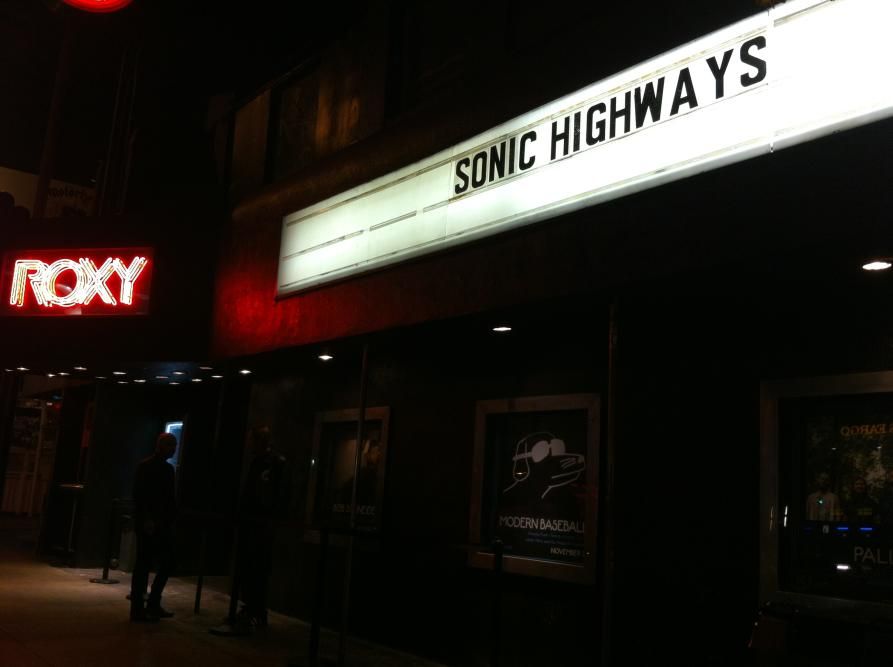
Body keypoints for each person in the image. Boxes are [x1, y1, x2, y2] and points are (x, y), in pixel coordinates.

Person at [231, 426, 286, 633]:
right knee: (250, 568)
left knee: (257, 569)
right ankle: (252, 609)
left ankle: (255, 611)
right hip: (252, 524)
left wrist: (269, 518)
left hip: (260, 525)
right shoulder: (258, 462)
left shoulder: (273, 464)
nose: (248, 445)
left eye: (251, 441)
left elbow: (275, 495)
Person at [130, 432, 178, 622]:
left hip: (157, 522)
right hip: (153, 523)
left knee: (147, 564)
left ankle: (142, 606)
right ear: (160, 446)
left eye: (174, 445)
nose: (173, 449)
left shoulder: (151, 467)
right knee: (151, 563)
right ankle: (146, 605)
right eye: (170, 445)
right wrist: (148, 519)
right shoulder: (160, 469)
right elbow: (141, 496)